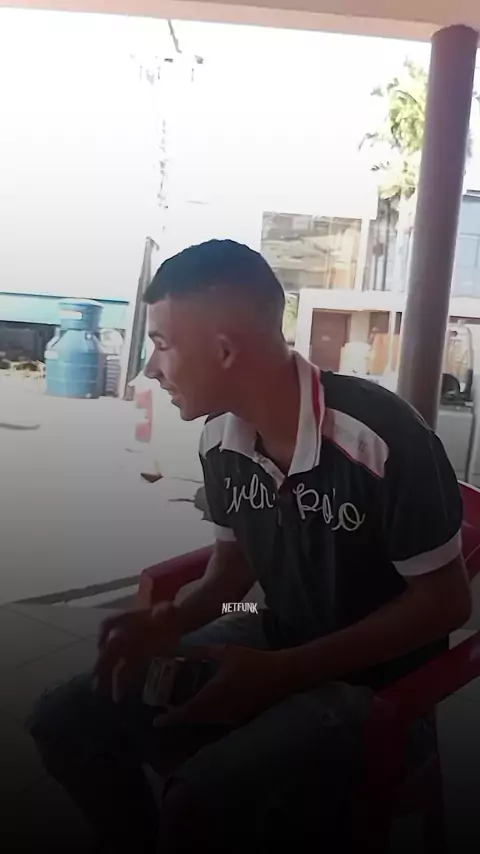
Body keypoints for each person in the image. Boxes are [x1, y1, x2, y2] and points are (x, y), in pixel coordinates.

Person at [29, 239, 471, 853]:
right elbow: (232, 573)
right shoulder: (220, 442)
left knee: (197, 803)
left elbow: (446, 604)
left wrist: (284, 672)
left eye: (161, 344)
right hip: (272, 633)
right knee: (64, 719)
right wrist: (174, 618)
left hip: (379, 691)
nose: (150, 369)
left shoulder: (380, 440)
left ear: (224, 350)